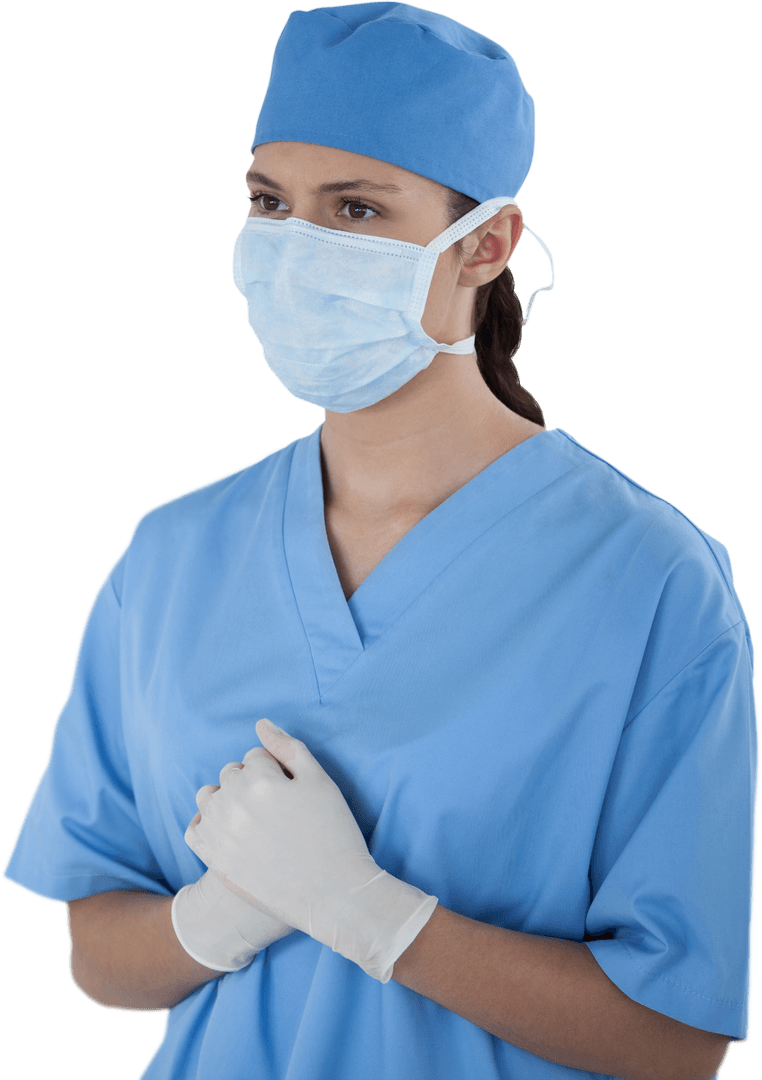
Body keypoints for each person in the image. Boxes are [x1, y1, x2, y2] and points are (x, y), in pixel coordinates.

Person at [2, 4, 757, 1079]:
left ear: (487, 244)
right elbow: (97, 954)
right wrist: (221, 917)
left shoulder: (647, 581)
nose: (297, 247)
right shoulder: (171, 559)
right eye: (271, 203)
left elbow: (678, 1039)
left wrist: (374, 916)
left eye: (356, 208)